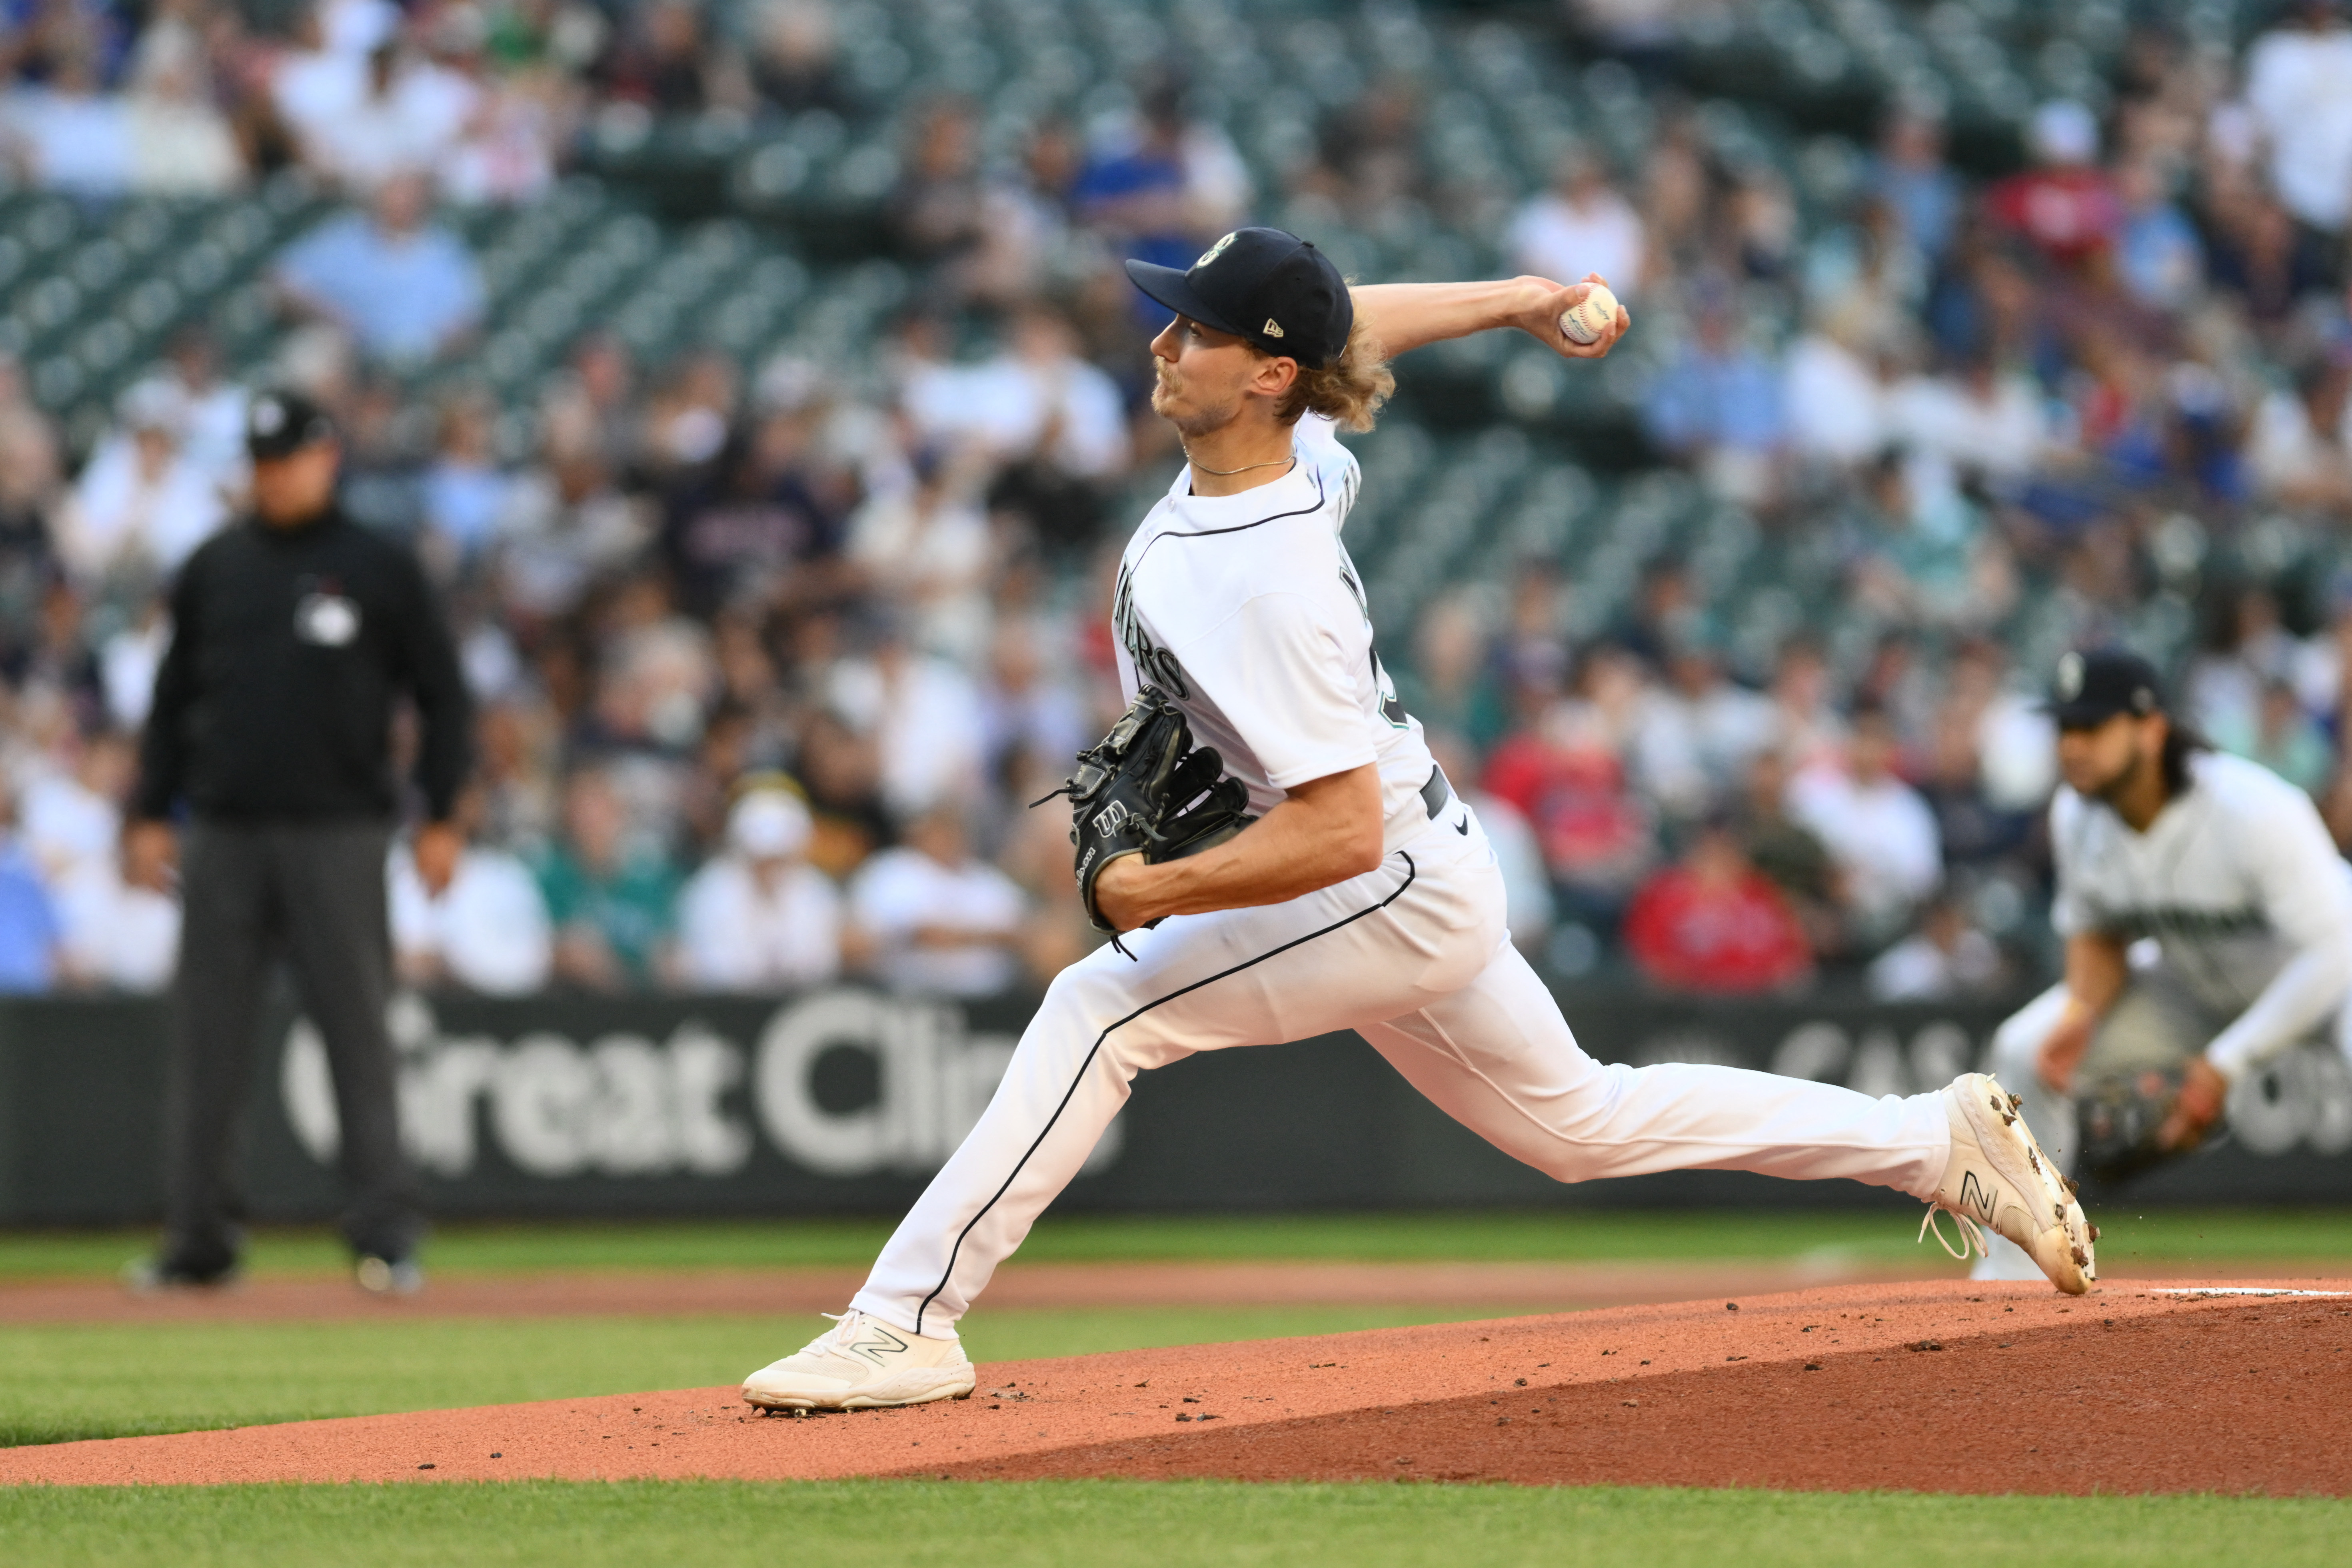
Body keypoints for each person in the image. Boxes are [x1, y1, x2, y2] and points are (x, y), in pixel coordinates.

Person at [739, 230, 2094, 1414]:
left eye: (1195, 329)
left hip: (1375, 877)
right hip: (1413, 860)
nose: (1161, 342)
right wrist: (1516, 295)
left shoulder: (1265, 580)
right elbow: (1355, 327)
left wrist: (1150, 894)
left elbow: (1330, 834)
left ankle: (903, 1323)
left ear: (1265, 374)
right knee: (1582, 1126)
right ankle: (1932, 1142)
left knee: (1102, 1009)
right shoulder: (1296, 450)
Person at [122, 390, 472, 1294]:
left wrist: (440, 814)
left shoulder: (379, 565)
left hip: (341, 833)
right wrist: (149, 808)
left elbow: (444, 696)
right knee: (208, 1040)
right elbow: (171, 702)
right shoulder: (215, 566)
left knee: (358, 1033)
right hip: (226, 831)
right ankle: (198, 1239)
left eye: (288, 458)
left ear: (327, 455)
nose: (273, 475)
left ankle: (385, 1235)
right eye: (262, 461)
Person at [1975, 648, 2352, 1281]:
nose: (2073, 745)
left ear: (2151, 729)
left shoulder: (2252, 808)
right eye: (2065, 728)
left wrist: (2223, 1066)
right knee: (2024, 1049)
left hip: (2330, 977)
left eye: (2092, 727)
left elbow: (2332, 951)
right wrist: (2082, 1011)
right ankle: (2022, 1277)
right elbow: (2098, 935)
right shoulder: (2077, 815)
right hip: (2195, 986)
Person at [675, 783, 843, 991]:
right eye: (762, 858)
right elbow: (709, 968)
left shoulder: (817, 891)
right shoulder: (709, 892)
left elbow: (822, 962)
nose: (770, 867)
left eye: (779, 857)